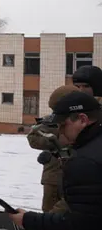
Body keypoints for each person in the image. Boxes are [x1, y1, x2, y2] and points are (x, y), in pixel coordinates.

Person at [10, 92, 102, 230]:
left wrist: (31, 221)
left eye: (62, 126)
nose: (59, 134)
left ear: (83, 120)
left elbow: (83, 224)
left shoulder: (86, 160)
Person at [27, 85, 78, 213]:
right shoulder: (51, 121)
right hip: (53, 175)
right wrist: (53, 140)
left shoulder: (84, 120)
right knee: (50, 211)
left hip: (77, 176)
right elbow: (33, 138)